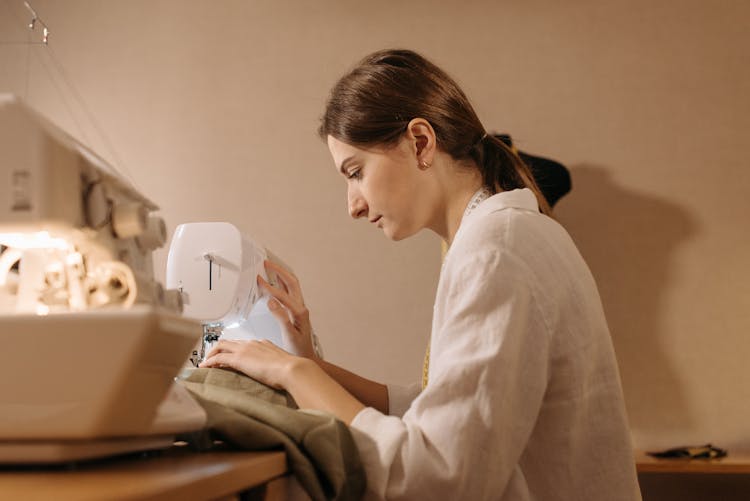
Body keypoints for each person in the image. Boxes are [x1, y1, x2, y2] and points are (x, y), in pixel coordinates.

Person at [200, 49, 641, 500]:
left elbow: (437, 474)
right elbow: (442, 405)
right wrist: (315, 367)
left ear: (421, 143)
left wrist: (293, 373)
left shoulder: (495, 252)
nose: (353, 205)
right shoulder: (507, 235)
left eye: (356, 172)